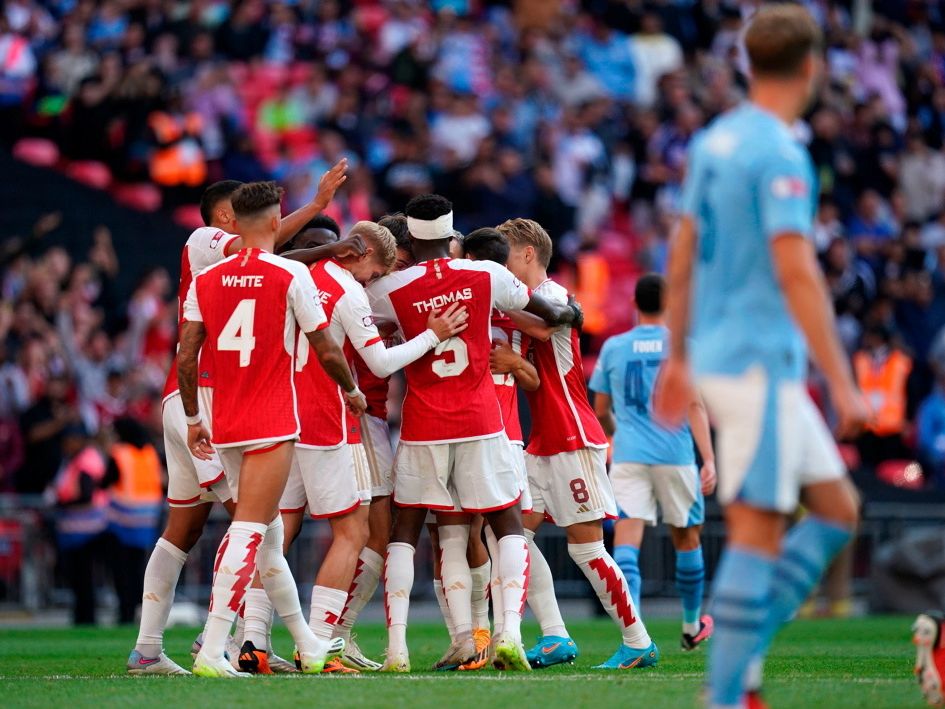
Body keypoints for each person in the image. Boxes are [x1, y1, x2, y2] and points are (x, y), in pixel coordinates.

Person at [656, 7, 867, 708]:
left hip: (728, 356)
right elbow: (796, 268)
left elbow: (681, 253)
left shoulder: (715, 141)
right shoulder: (779, 151)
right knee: (757, 532)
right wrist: (840, 379)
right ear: (811, 68)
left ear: (747, 64)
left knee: (837, 508)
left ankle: (736, 673)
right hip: (756, 363)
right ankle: (725, 693)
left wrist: (677, 357)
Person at [128, 160, 354, 675]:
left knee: (185, 531)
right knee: (256, 527)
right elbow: (270, 253)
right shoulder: (207, 240)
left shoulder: (219, 261)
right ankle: (222, 644)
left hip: (193, 399)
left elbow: (267, 243)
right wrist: (330, 245)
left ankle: (148, 649)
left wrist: (316, 208)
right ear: (224, 216)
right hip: (209, 401)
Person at [238, 220, 467, 674]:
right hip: (336, 422)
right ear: (360, 255)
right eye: (378, 271)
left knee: (276, 533)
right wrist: (430, 336)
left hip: (283, 417)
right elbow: (377, 360)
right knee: (356, 533)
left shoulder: (298, 275)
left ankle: (252, 642)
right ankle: (324, 643)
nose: (376, 281)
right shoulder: (351, 291)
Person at [371, 194, 582, 673]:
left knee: (410, 533)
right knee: (507, 524)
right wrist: (569, 316)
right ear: (450, 236)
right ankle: (508, 632)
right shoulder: (485, 275)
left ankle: (399, 650)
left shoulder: (389, 290)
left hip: (424, 424)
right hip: (482, 421)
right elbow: (545, 312)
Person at [498, 217, 656, 671]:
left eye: (506, 253)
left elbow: (546, 330)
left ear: (528, 253)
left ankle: (638, 640)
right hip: (543, 441)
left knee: (586, 548)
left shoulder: (553, 296)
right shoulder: (532, 300)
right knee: (512, 536)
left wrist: (487, 296)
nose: (501, 265)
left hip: (572, 436)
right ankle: (554, 636)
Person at [589, 273, 716, 651]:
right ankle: (691, 626)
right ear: (669, 305)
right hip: (675, 455)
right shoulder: (683, 347)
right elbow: (694, 404)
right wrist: (708, 459)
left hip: (628, 455)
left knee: (627, 542)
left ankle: (635, 634)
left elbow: (600, 409)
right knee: (687, 537)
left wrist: (617, 431)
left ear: (635, 305)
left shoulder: (613, 347)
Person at [463, 227, 541, 670]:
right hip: (472, 430)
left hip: (503, 436)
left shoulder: (514, 318)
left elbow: (531, 380)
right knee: (477, 537)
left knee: (492, 535)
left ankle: (499, 634)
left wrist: (517, 362)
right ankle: (486, 637)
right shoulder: (470, 306)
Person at [46, 424, 107, 625]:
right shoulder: (79, 459)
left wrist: (59, 503)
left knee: (82, 579)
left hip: (85, 531)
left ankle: (85, 618)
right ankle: (83, 617)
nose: (66, 445)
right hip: (80, 530)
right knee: (81, 579)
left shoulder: (84, 461)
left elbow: (86, 495)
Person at [104, 417, 163, 625]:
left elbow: (106, 481)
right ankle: (141, 612)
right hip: (146, 520)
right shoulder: (150, 452)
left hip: (121, 520)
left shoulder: (120, 453)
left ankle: (125, 612)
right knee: (140, 569)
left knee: (121, 570)